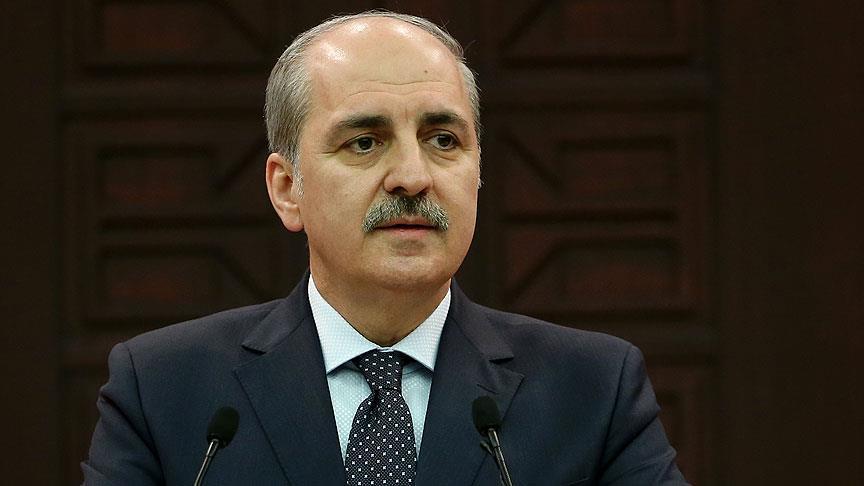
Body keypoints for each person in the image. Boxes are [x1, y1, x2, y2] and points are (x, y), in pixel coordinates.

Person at [82, 10, 688, 486]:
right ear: (287, 189)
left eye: (443, 139)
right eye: (365, 142)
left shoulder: (593, 390)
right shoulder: (165, 390)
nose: (413, 177)